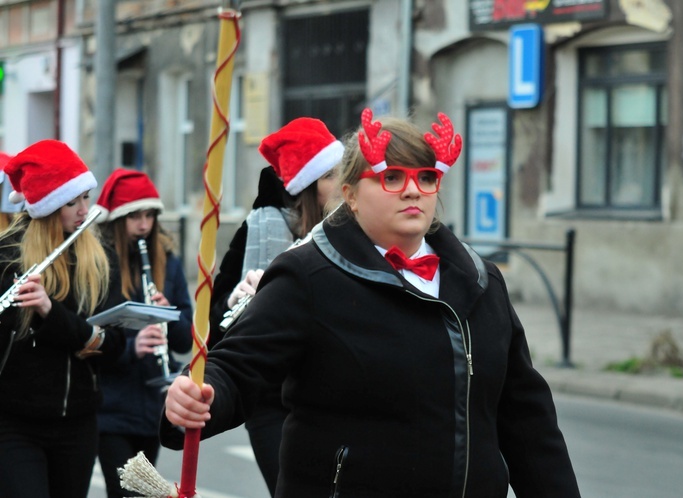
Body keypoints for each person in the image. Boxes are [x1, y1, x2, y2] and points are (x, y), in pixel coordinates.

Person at [162, 109, 580, 497]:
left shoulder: (481, 280)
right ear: (351, 195)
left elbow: (527, 419)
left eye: (427, 178)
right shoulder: (308, 275)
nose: (413, 191)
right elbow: (237, 366)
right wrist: (197, 395)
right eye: (391, 177)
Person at [207, 117, 343, 494]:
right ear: (308, 185)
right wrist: (239, 303)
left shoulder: (351, 235)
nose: (344, 185)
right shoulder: (259, 228)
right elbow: (217, 321)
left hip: (329, 395)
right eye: (332, 175)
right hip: (271, 399)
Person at [0, 140, 126, 498]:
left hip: (78, 422)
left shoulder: (100, 260)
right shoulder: (8, 257)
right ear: (49, 206)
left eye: (86, 198)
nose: (84, 210)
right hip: (13, 421)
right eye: (73, 202)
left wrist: (50, 313)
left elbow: (113, 345)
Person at [94, 168, 194, 497]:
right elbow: (88, 334)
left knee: (143, 494)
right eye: (134, 216)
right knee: (127, 493)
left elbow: (183, 341)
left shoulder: (167, 260)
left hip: (152, 407)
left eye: (150, 215)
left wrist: (170, 317)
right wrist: (131, 348)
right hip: (110, 408)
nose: (144, 225)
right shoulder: (100, 265)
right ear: (118, 219)